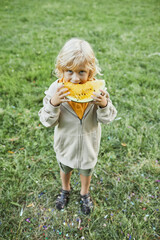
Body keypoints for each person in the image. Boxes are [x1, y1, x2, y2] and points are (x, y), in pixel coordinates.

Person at [38, 38, 117, 215]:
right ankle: (65, 189)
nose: (75, 78)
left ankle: (84, 193)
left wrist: (104, 104)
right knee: (65, 168)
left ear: (91, 71)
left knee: (86, 171)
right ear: (61, 71)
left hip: (89, 146)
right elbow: (46, 121)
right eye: (69, 71)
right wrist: (53, 103)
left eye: (82, 72)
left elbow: (108, 118)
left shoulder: (97, 91)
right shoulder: (55, 91)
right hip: (65, 145)